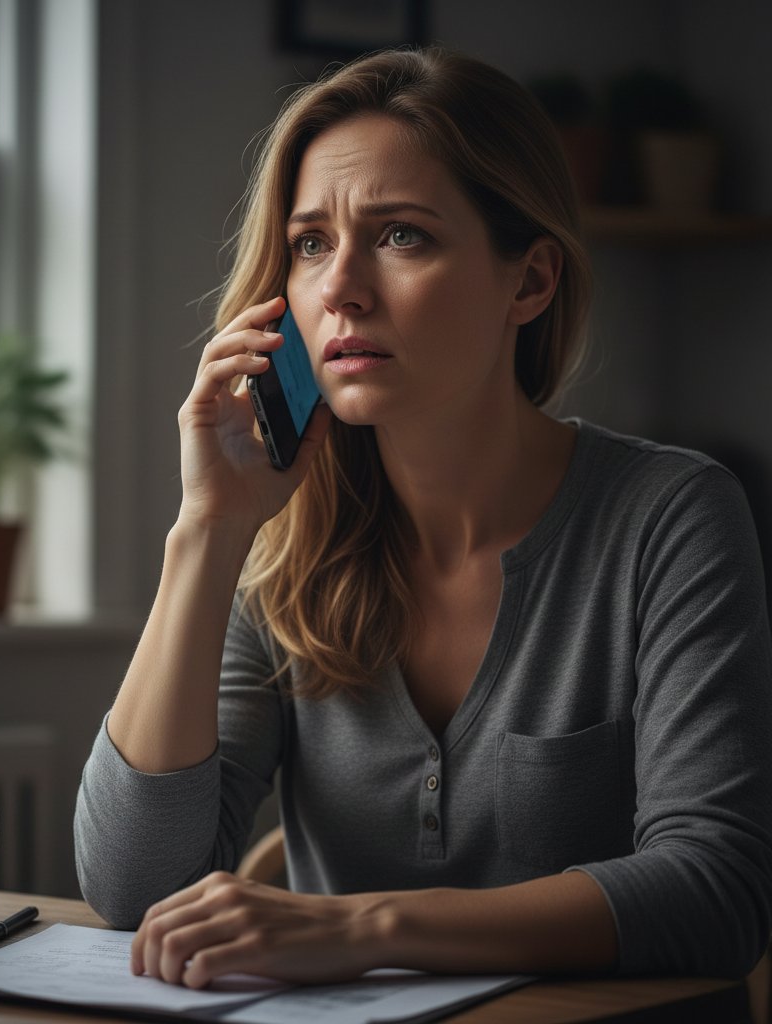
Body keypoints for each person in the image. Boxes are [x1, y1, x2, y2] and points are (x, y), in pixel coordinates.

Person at [74, 46, 772, 988]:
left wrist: (364, 929)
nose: (340, 289)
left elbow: (717, 890)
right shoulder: (282, 550)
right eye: (312, 242)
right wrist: (207, 527)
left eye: (401, 236)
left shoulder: (671, 518)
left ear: (529, 284)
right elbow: (130, 886)